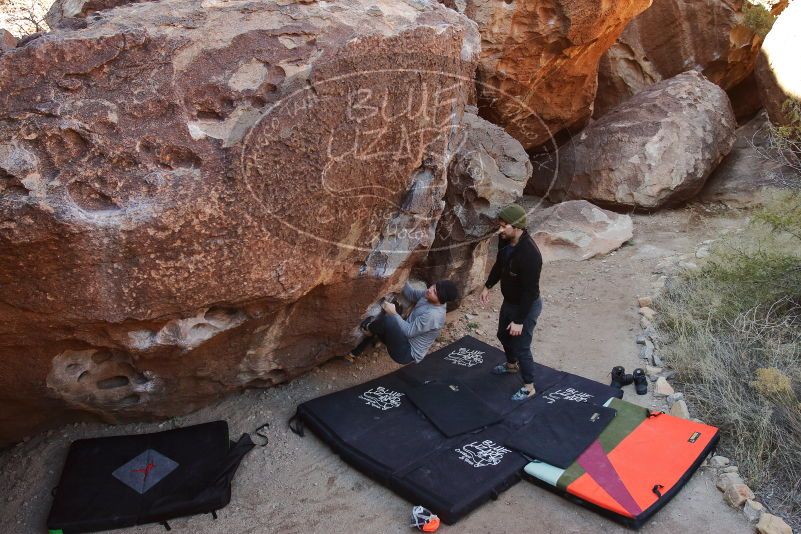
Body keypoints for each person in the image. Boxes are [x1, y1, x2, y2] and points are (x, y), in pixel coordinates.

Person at [480, 203, 543, 401]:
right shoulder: (505, 240)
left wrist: (519, 321)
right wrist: (487, 286)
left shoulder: (531, 255)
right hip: (510, 301)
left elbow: (530, 292)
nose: (499, 230)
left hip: (527, 305)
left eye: (503, 226)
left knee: (522, 345)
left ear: (517, 227)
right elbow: (500, 265)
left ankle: (529, 386)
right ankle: (511, 365)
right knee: (502, 335)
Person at [344, 280, 459, 365]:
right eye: (433, 286)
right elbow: (412, 293)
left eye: (434, 291)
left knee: (389, 319)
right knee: (389, 313)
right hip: (403, 338)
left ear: (441, 300)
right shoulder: (428, 295)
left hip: (406, 352)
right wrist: (402, 275)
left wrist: (393, 313)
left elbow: (408, 332)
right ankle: (355, 352)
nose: (429, 290)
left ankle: (368, 328)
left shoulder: (434, 315)